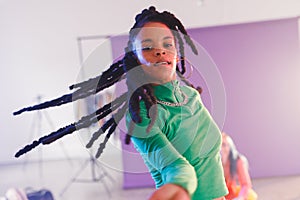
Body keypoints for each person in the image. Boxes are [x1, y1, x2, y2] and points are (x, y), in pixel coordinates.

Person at [13, 6, 228, 200]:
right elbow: (178, 167)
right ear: (135, 61)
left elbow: (206, 155)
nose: (160, 51)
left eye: (167, 44)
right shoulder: (143, 115)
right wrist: (180, 185)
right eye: (146, 47)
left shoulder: (191, 96)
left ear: (177, 52)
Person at [221, 132, 258, 200]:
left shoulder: (238, 160)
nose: (221, 148)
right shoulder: (212, 162)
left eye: (224, 145)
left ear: (230, 147)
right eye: (219, 145)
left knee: (251, 195)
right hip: (219, 196)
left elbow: (246, 184)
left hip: (232, 195)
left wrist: (240, 198)